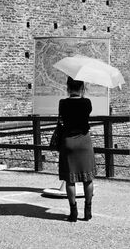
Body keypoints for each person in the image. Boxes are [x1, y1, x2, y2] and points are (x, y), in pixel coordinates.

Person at [58, 76, 96, 222]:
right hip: (84, 142)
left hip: (68, 142)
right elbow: (86, 111)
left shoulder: (63, 103)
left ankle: (73, 213)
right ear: (81, 87)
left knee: (70, 180)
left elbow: (62, 118)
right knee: (88, 178)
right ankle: (88, 211)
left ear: (68, 87)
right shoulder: (87, 102)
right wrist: (83, 94)